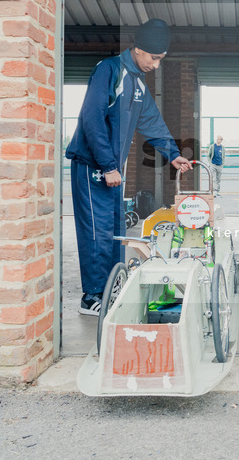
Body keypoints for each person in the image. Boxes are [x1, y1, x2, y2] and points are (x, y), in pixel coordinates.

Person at [66, 19, 192, 316]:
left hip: (113, 170)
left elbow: (151, 121)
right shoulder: (108, 71)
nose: (157, 65)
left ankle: (112, 286)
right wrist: (109, 165)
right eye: (154, 58)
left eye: (161, 59)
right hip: (91, 165)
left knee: (114, 231)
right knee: (96, 231)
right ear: (137, 49)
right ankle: (91, 297)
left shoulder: (137, 82)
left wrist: (172, 154)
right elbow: (91, 118)